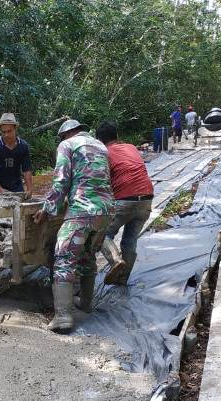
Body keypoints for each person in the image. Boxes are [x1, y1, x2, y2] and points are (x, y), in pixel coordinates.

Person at [34, 119, 114, 334]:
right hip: (106, 211)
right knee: (87, 255)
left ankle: (62, 317)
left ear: (65, 134)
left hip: (83, 210)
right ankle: (86, 303)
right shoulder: (100, 146)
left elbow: (61, 180)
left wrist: (48, 208)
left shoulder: (67, 145)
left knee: (63, 258)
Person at [95, 122, 154, 286]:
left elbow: (102, 181)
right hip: (147, 198)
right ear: (117, 136)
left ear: (99, 141)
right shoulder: (131, 147)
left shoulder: (103, 153)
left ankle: (115, 261)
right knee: (130, 240)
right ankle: (122, 279)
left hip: (125, 199)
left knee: (102, 235)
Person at [0, 113, 33, 197]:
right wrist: (0, 190)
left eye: (9, 131)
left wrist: (29, 189)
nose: (6, 135)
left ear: (15, 128)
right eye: (3, 132)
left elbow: (27, 170)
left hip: (17, 188)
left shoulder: (23, 146)